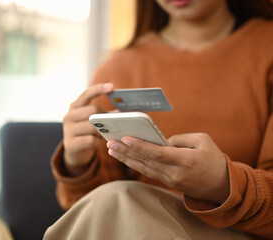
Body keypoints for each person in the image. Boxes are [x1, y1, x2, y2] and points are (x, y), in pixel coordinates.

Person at [44, 0, 273, 239]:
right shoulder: (116, 70)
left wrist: (222, 184)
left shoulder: (266, 48)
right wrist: (78, 163)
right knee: (111, 201)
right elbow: (92, 219)